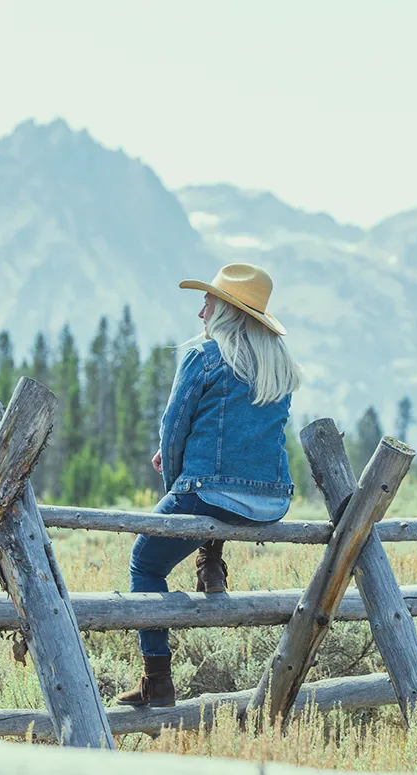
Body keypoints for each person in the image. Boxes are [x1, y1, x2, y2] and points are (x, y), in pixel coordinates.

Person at [115, 263, 301, 709]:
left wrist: (175, 481)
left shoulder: (205, 356)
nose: (201, 313)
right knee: (211, 510)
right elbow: (249, 436)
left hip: (210, 493)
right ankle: (210, 558)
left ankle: (156, 681)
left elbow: (173, 428)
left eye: (209, 302)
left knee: (146, 562)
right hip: (271, 501)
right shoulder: (279, 366)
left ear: (227, 313)